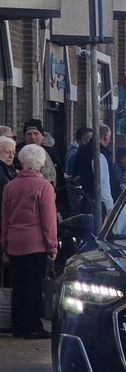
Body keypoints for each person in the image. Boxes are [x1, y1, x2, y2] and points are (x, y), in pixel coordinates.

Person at [2, 144, 58, 339]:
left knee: (18, 286)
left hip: (15, 242)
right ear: (41, 164)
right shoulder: (44, 187)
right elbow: (48, 220)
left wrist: (5, 243)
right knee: (34, 287)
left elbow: (5, 217)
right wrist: (52, 245)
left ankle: (17, 325)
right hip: (36, 243)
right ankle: (32, 326)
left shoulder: (10, 186)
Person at [19, 119, 63, 190]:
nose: (32, 137)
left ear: (42, 136)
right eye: (29, 134)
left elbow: (60, 177)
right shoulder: (17, 153)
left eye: (36, 134)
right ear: (25, 136)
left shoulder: (51, 152)